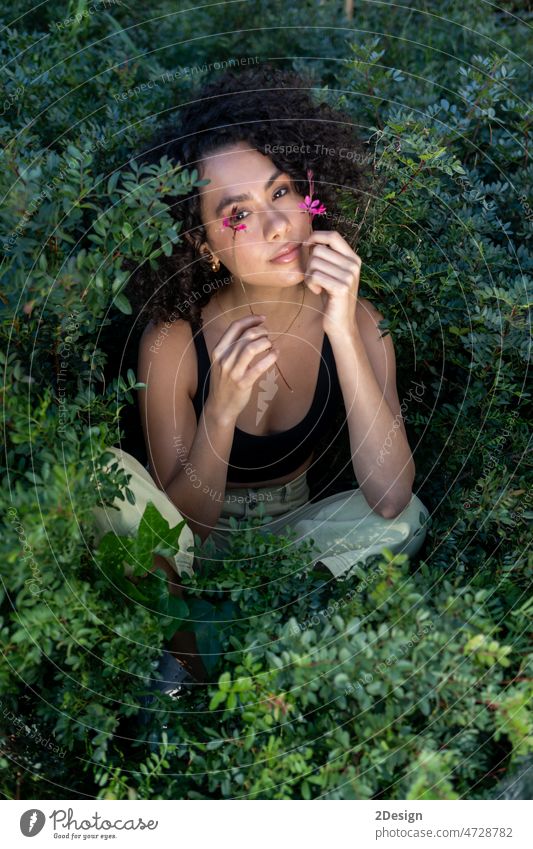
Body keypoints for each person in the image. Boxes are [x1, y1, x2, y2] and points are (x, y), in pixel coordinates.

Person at [91, 64, 429, 689]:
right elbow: (185, 525)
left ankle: (262, 639)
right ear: (204, 246)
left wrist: (343, 334)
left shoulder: (361, 318)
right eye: (238, 214)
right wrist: (223, 408)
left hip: (294, 548)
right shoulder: (174, 338)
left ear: (308, 194)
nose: (277, 225)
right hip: (191, 554)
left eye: (279, 193)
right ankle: (192, 659)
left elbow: (388, 497)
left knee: (406, 522)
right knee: (106, 481)